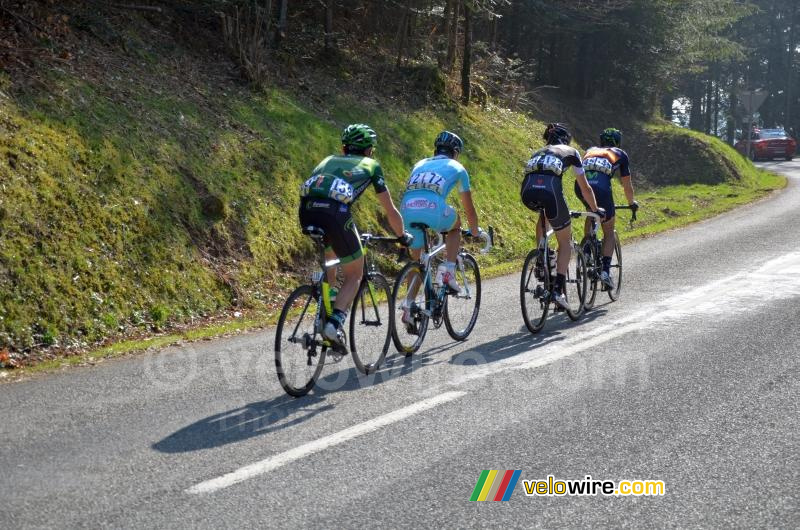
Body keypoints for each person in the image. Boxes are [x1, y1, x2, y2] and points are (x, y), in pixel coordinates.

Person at [299, 123, 411, 345]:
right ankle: (334, 324)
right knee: (354, 273)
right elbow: (389, 210)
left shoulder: (327, 161)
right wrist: (402, 236)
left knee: (330, 247)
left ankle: (330, 297)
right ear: (369, 150)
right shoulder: (371, 165)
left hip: (306, 210)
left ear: (343, 148)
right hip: (334, 213)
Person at [398, 131, 482, 324]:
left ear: (436, 150)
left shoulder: (419, 164)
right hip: (433, 208)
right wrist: (475, 231)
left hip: (407, 208)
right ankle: (448, 271)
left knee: (418, 261)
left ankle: (409, 306)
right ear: (455, 152)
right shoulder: (457, 167)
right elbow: (469, 208)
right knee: (455, 227)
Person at [520, 123, 605, 309]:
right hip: (550, 191)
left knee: (544, 215)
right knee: (565, 243)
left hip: (527, 192)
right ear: (566, 139)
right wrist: (595, 208)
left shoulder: (538, 152)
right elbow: (585, 187)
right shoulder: (572, 152)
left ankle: (542, 259)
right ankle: (558, 289)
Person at [574, 128, 638, 289]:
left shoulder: (590, 150)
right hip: (602, 188)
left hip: (581, 186)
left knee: (592, 211)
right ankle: (605, 271)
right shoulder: (620, 154)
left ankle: (587, 251)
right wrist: (631, 203)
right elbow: (626, 185)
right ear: (617, 142)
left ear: (602, 141)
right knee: (609, 232)